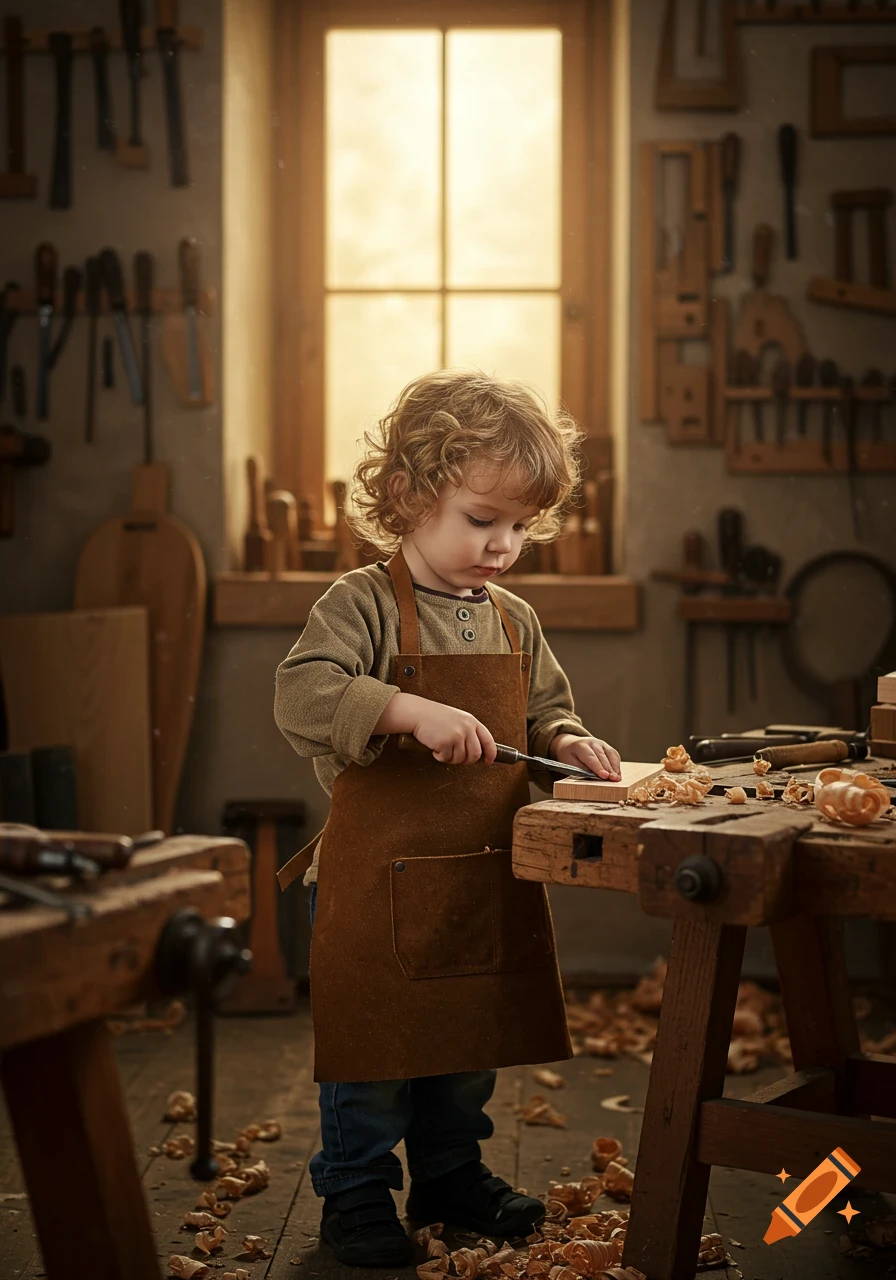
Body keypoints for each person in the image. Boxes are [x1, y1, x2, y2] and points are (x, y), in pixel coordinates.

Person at [273, 368, 622, 1268]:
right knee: (375, 1061)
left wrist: (572, 743)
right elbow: (303, 691)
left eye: (519, 526)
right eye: (482, 520)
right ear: (409, 495)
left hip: (477, 879)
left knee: (466, 1051)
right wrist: (405, 710)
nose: (503, 546)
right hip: (372, 890)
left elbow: (545, 712)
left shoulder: (513, 620)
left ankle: (450, 1174)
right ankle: (354, 1198)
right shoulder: (361, 603)